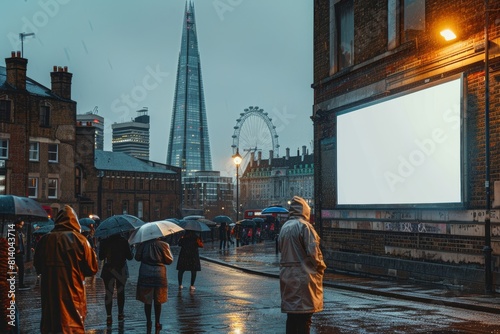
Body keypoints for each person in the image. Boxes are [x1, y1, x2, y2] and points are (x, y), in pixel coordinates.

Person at [34, 205, 99, 334]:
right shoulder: (81, 240)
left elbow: (38, 266)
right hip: (73, 292)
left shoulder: (45, 240)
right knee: (72, 325)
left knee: (51, 324)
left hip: (50, 294)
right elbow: (92, 269)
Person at [278, 196, 326, 334]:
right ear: (305, 210)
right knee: (305, 318)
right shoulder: (304, 226)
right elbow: (314, 253)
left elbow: (282, 250)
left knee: (292, 316)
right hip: (303, 277)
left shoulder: (285, 227)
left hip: (287, 277)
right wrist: (321, 267)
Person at [135, 237, 173, 332]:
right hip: (159, 273)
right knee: (158, 299)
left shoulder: (143, 245)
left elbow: (137, 257)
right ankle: (157, 322)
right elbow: (169, 260)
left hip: (145, 272)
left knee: (147, 299)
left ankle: (148, 321)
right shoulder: (164, 245)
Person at [99, 233, 133, 326]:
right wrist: (131, 248)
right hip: (121, 270)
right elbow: (130, 257)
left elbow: (101, 257)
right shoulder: (123, 241)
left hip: (108, 270)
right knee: (121, 292)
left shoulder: (104, 241)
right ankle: (120, 313)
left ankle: (109, 316)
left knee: (108, 293)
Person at [13, 219, 28, 290]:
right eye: (21, 224)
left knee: (21, 268)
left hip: (19, 253)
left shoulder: (19, 232)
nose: (21, 226)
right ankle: (20, 284)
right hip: (16, 253)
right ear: (17, 224)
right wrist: (16, 248)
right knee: (19, 268)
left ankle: (20, 283)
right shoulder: (13, 232)